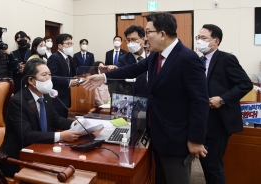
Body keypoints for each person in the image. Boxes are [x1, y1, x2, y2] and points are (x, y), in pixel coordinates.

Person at [84, 12, 209, 184]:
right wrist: (103, 78)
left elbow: (200, 102)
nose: (145, 38)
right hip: (156, 134)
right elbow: (132, 69)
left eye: (148, 32)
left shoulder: (188, 59)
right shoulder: (156, 56)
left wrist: (196, 139)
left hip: (176, 137)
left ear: (162, 34)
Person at [0, 58, 81, 177]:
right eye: (44, 75)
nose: (49, 79)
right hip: (18, 158)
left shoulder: (46, 96)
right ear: (31, 80)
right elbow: (26, 135)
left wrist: (76, 125)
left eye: (50, 75)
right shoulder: (18, 101)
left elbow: (55, 119)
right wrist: (60, 136)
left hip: (40, 150)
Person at [196, 24, 252, 184]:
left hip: (218, 121)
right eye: (198, 38)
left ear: (216, 41)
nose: (199, 41)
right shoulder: (198, 61)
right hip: (202, 119)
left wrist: (222, 99)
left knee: (213, 165)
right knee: (206, 163)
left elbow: (245, 84)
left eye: (204, 38)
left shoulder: (226, 59)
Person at [47, 34, 79, 118]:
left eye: (71, 43)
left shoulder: (70, 58)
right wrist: (68, 82)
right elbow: (52, 76)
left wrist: (77, 80)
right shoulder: (54, 58)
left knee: (64, 119)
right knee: (58, 121)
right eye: (68, 43)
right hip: (57, 96)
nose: (70, 46)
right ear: (60, 46)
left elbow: (71, 74)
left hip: (66, 96)